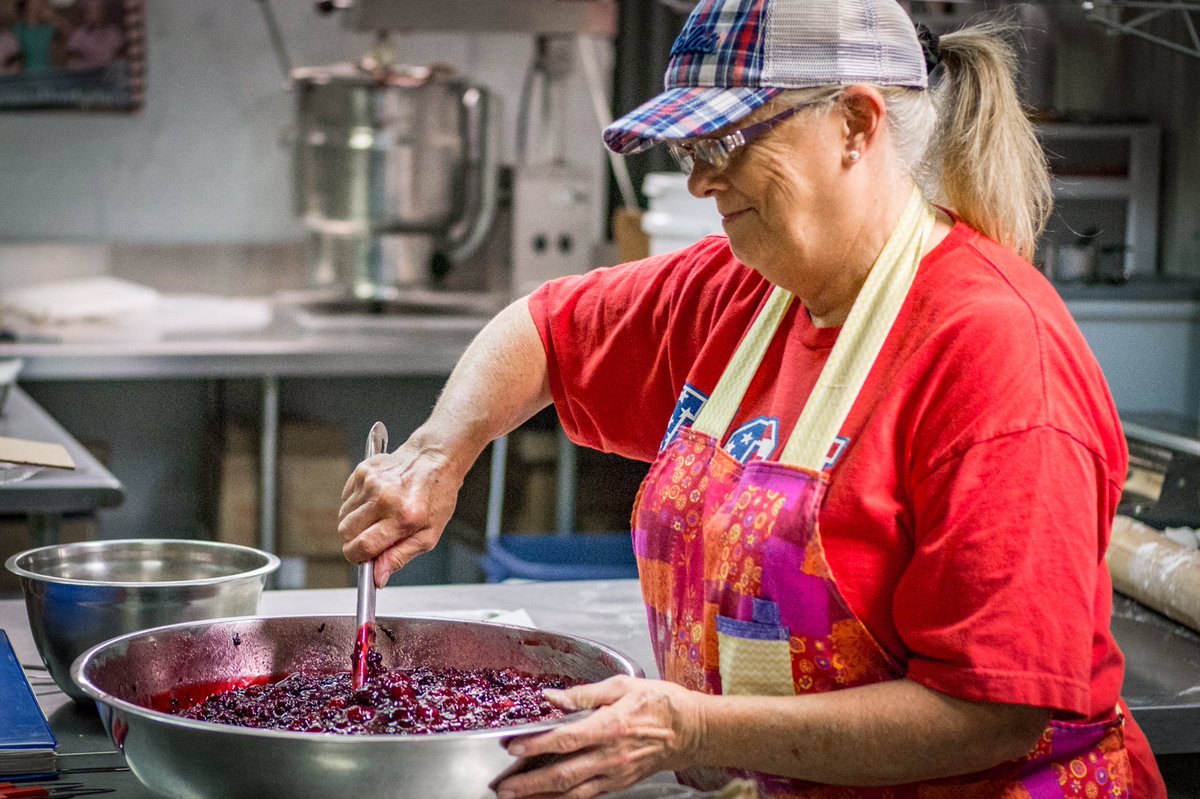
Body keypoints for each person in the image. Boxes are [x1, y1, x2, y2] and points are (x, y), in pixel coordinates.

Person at [338, 0, 1168, 796]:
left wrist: (693, 730)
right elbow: (544, 332)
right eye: (688, 149)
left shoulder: (994, 352)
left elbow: (994, 710)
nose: (701, 181)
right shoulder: (745, 288)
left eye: (726, 140)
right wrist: (439, 451)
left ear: (856, 123)